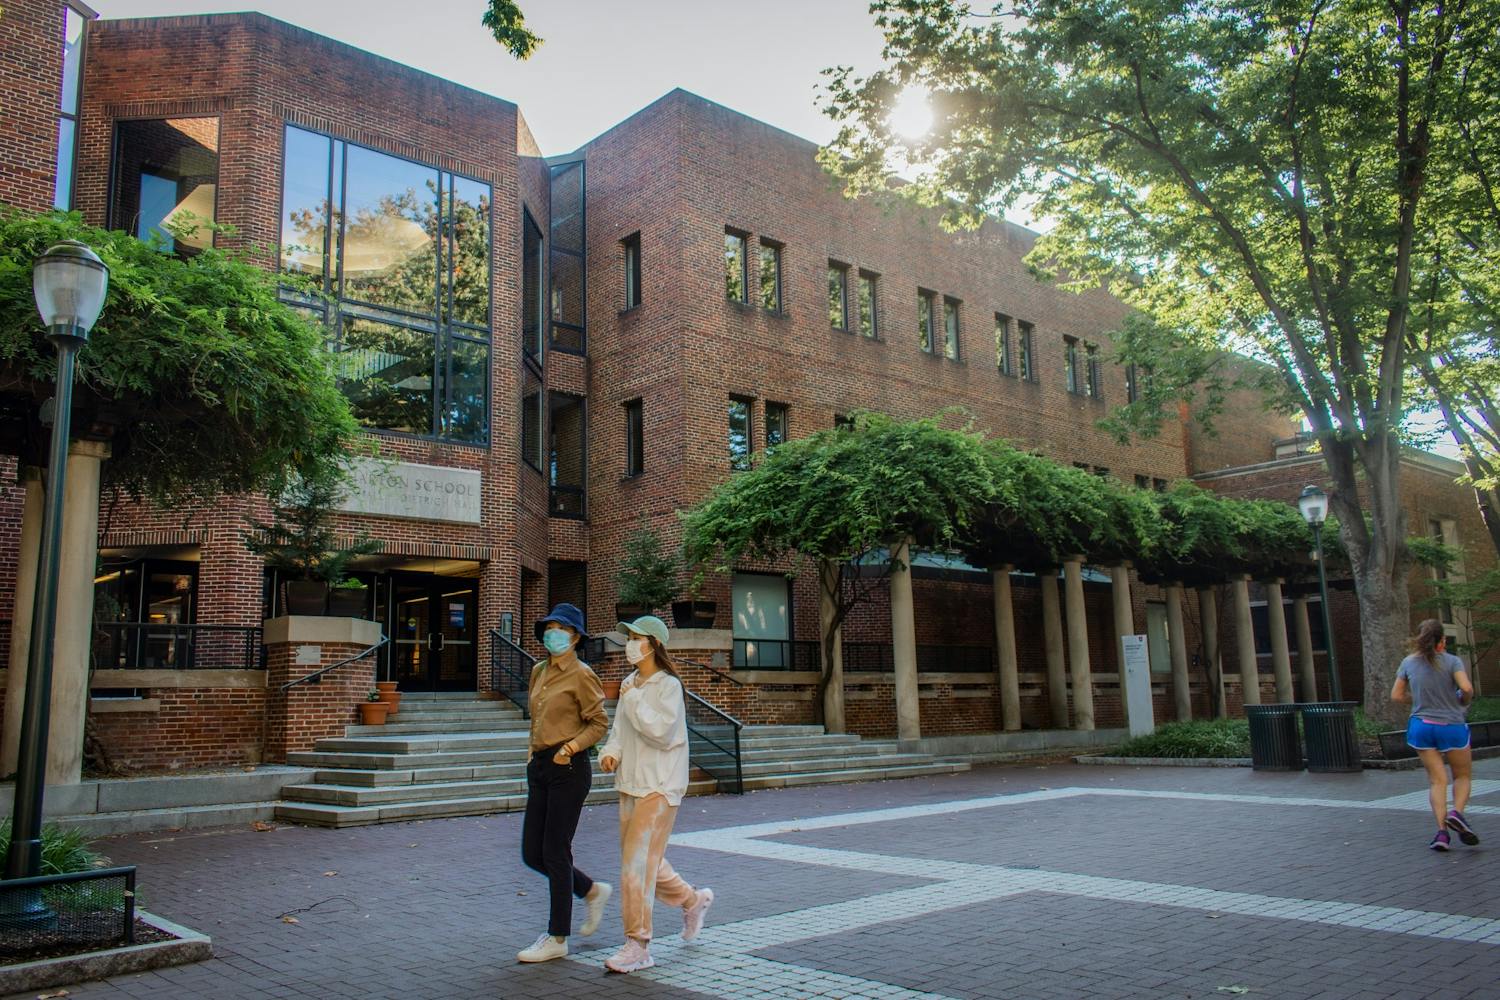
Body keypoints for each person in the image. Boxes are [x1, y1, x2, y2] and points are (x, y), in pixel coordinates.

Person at [597, 615, 714, 974]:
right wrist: (609, 752)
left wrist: (631, 700)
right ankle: (693, 900)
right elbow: (620, 729)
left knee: (635, 865)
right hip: (630, 782)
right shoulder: (631, 682)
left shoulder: (668, 686)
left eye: (636, 637)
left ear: (654, 644)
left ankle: (638, 944)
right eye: (628, 637)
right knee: (647, 861)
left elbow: (662, 733)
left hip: (660, 785)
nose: (630, 643)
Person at [517, 603, 612, 963]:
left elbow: (599, 723)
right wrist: (532, 752)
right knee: (532, 853)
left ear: (575, 637)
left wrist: (570, 748)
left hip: (569, 767)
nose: (552, 634)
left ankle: (557, 937)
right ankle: (590, 890)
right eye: (549, 627)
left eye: (561, 629)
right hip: (541, 765)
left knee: (555, 852)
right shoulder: (539, 670)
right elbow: (537, 717)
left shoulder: (582, 674)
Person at [1392, 618, 1479, 851]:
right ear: (1441, 641)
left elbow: (1397, 696)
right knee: (1462, 776)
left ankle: (1442, 834)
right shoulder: (1452, 662)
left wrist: (1418, 699)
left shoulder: (1408, 662)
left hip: (1422, 726)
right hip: (1451, 726)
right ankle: (1457, 813)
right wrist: (1462, 700)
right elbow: (1467, 688)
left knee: (1437, 781)